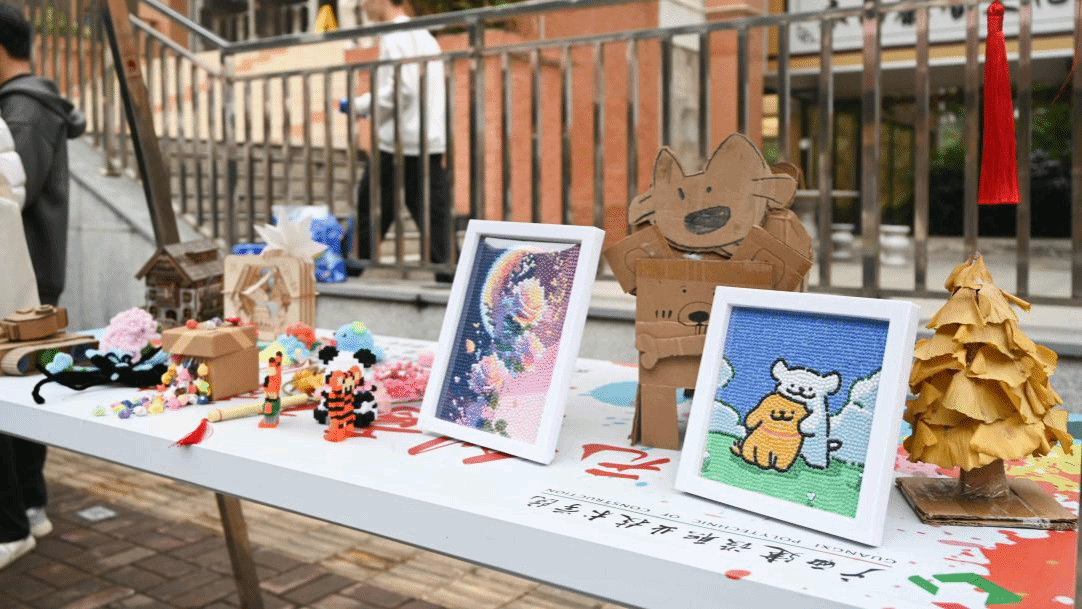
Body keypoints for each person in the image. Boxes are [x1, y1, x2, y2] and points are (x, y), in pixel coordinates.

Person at [0, 3, 85, 570]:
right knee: (21, 390)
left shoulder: (22, 110)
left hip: (17, 284)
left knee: (12, 398)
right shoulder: (29, 104)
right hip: (27, 280)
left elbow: (9, 195)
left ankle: (14, 520)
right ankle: (29, 507)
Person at [344, 0, 451, 282]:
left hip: (399, 140)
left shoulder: (395, 36)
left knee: (372, 206)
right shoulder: (424, 36)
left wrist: (360, 105)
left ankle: (349, 266)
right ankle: (450, 271)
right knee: (431, 211)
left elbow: (402, 90)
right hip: (426, 137)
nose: (362, 6)